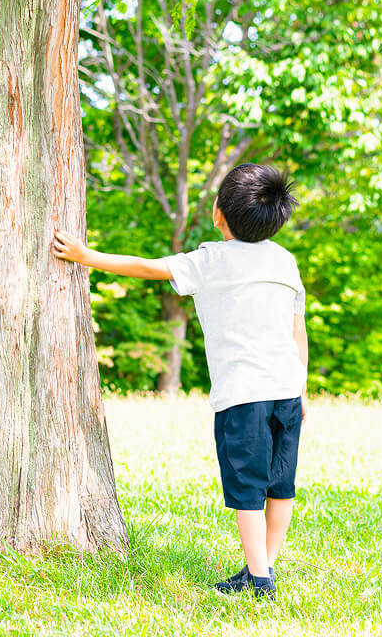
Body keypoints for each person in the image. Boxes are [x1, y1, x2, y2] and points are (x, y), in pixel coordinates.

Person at [51, 163, 308, 602]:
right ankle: (262, 565)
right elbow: (297, 327)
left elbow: (147, 267)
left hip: (243, 395)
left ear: (217, 213)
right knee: (279, 485)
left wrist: (85, 256)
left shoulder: (211, 258)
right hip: (287, 390)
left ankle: (259, 578)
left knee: (247, 487)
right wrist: (301, 390)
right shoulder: (285, 260)